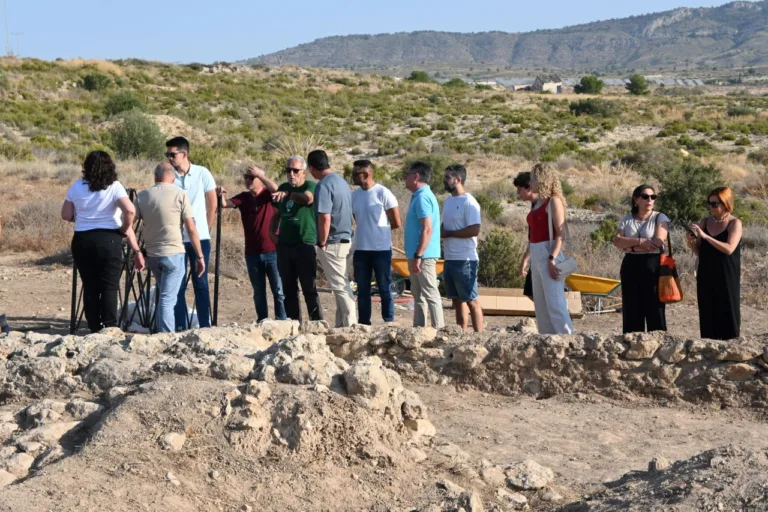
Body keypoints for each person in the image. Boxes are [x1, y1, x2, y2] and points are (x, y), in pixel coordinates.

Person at [61, 150, 144, 333]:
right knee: (109, 285)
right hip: (109, 239)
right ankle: (110, 327)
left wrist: (84, 218)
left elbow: (66, 214)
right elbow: (130, 210)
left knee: (90, 285)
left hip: (82, 239)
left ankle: (93, 327)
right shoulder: (114, 187)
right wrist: (124, 228)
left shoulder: (76, 186)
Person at [136, 163, 206, 333]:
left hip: (152, 254)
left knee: (164, 296)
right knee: (168, 299)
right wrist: (200, 256)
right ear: (173, 178)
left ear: (155, 176)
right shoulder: (180, 194)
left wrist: (136, 250)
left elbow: (130, 223)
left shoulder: (143, 195)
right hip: (174, 253)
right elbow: (191, 227)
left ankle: (162, 331)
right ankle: (166, 336)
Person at [218, 165, 286, 323]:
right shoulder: (244, 197)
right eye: (246, 177)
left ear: (260, 179)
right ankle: (262, 321)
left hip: (272, 251)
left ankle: (282, 321)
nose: (247, 180)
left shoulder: (269, 195)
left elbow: (277, 189)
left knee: (278, 290)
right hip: (252, 253)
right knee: (259, 291)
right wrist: (220, 193)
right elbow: (224, 204)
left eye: (251, 177)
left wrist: (261, 175)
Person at [165, 136, 217, 331]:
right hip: (176, 238)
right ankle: (180, 325)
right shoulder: (169, 176)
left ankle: (205, 325)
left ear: (184, 154)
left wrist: (206, 228)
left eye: (172, 154)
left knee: (201, 283)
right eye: (167, 155)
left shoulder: (202, 173)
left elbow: (212, 202)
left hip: (200, 237)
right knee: (177, 283)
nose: (169, 158)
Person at [270, 155, 323, 322]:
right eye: (288, 170)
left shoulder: (310, 185)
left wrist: (288, 194)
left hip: (305, 244)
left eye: (295, 170)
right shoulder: (283, 187)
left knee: (309, 287)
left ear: (304, 172)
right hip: (285, 245)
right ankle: (293, 325)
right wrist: (272, 233)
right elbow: (276, 215)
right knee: (289, 289)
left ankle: (316, 323)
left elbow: (307, 199)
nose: (291, 174)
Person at [309, 150, 357, 327]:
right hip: (345, 239)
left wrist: (322, 241)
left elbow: (325, 217)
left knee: (341, 288)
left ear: (312, 168)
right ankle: (341, 326)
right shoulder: (341, 182)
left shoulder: (324, 185)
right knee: (341, 285)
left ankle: (352, 327)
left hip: (333, 242)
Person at [613, 184, 670, 333]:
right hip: (631, 264)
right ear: (636, 199)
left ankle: (658, 343)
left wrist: (629, 246)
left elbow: (657, 243)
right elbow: (617, 242)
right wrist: (639, 243)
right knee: (632, 305)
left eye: (653, 197)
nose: (649, 200)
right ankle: (632, 343)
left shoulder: (660, 217)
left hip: (653, 264)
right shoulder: (626, 219)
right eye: (645, 197)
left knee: (654, 305)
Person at [687, 187, 742, 340]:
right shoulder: (705, 222)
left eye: (714, 204)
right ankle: (709, 348)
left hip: (726, 272)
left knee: (727, 307)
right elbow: (699, 251)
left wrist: (705, 237)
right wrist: (691, 242)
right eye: (709, 203)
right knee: (707, 308)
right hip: (706, 272)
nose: (710, 207)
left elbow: (729, 248)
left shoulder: (734, 223)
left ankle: (730, 347)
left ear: (726, 204)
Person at [350, 159, 401, 325]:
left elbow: (396, 222)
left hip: (381, 250)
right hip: (361, 249)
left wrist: (380, 233)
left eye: (355, 173)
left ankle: (389, 322)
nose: (352, 177)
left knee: (384, 287)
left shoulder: (383, 193)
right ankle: (364, 323)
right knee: (362, 289)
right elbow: (357, 219)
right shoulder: (354, 195)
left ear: (365, 175)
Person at [526, 163, 573, 334]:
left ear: (542, 178)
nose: (530, 182)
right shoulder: (539, 201)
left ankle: (567, 340)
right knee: (541, 304)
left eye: (533, 178)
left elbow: (560, 233)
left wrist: (552, 258)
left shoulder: (554, 201)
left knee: (555, 302)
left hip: (548, 251)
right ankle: (546, 341)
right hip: (536, 252)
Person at [441, 164, 484, 333]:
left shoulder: (469, 202)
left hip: (465, 259)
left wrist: (449, 233)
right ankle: (461, 335)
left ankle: (478, 337)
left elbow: (474, 229)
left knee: (472, 300)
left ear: (458, 180)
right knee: (456, 301)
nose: (445, 180)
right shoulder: (448, 201)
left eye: (448, 177)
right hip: (450, 257)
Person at [404, 161, 445, 329]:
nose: (405, 179)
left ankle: (439, 330)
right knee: (418, 294)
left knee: (430, 294)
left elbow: (427, 228)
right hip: (418, 255)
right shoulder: (420, 196)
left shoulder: (422, 197)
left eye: (407, 175)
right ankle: (419, 330)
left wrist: (419, 255)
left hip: (424, 256)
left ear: (416, 176)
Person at [514, 171, 538, 300]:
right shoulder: (535, 205)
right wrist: (525, 259)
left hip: (545, 255)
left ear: (529, 188)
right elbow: (532, 237)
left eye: (520, 189)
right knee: (531, 291)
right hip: (536, 254)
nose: (518, 193)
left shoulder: (543, 205)